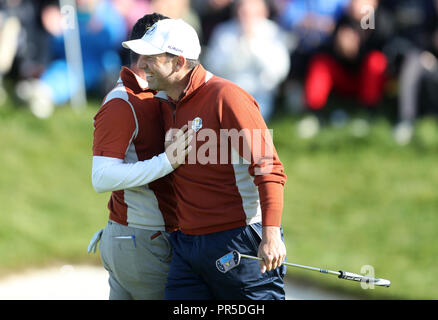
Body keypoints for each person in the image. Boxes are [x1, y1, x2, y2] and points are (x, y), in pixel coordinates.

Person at [122, 18, 288, 300]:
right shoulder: (163, 102)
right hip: (187, 245)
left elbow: (268, 167)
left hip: (239, 240)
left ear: (179, 63)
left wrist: (271, 234)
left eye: (151, 58)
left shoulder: (228, 97)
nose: (142, 64)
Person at [88, 13, 192, 300]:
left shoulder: (158, 95)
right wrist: (166, 162)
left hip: (143, 240)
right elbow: (101, 177)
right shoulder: (122, 102)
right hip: (140, 240)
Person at [203, 0, 290, 122]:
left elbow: (279, 70)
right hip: (228, 90)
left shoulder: (273, 33)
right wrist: (237, 50)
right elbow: (213, 66)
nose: (247, 17)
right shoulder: (224, 32)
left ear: (263, 13)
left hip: (260, 93)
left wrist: (253, 46)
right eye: (243, 12)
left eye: (252, 13)